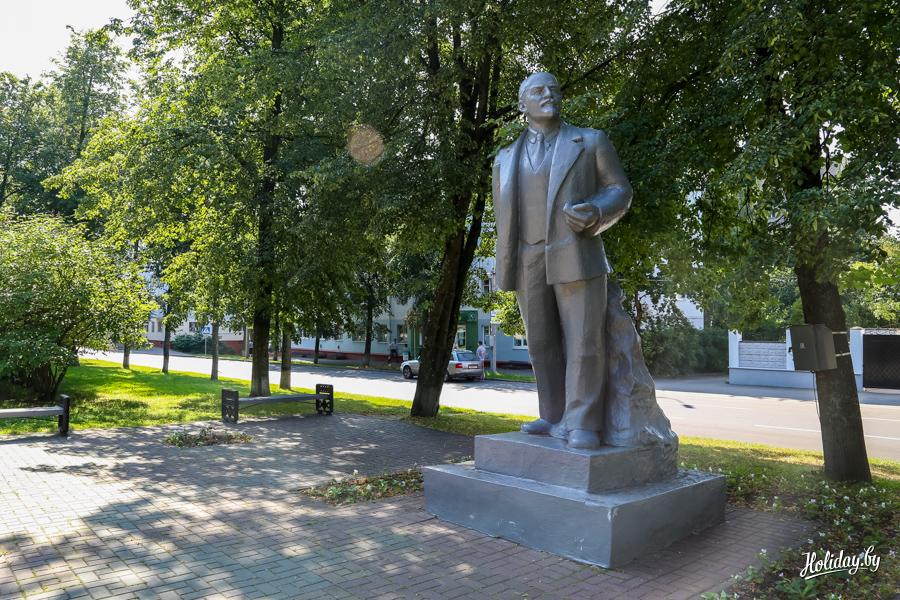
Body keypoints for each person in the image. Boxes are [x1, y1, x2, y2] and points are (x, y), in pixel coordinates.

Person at [492, 72, 633, 449]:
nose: (549, 95)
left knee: (584, 342)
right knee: (541, 344)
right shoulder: (504, 158)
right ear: (522, 104)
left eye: (554, 89)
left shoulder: (590, 141)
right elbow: (503, 216)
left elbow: (620, 190)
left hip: (575, 252)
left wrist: (597, 211)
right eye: (538, 90)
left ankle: (583, 423)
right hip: (526, 256)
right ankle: (552, 414)